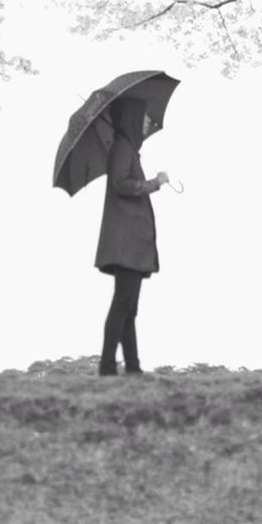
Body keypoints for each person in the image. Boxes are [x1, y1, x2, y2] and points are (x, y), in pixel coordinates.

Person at [95, 96, 168, 376]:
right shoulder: (123, 148)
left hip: (131, 243)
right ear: (132, 119)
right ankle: (107, 366)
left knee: (129, 307)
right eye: (146, 117)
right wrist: (154, 184)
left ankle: (133, 366)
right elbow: (120, 184)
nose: (150, 122)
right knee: (123, 304)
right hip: (126, 243)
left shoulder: (128, 150)